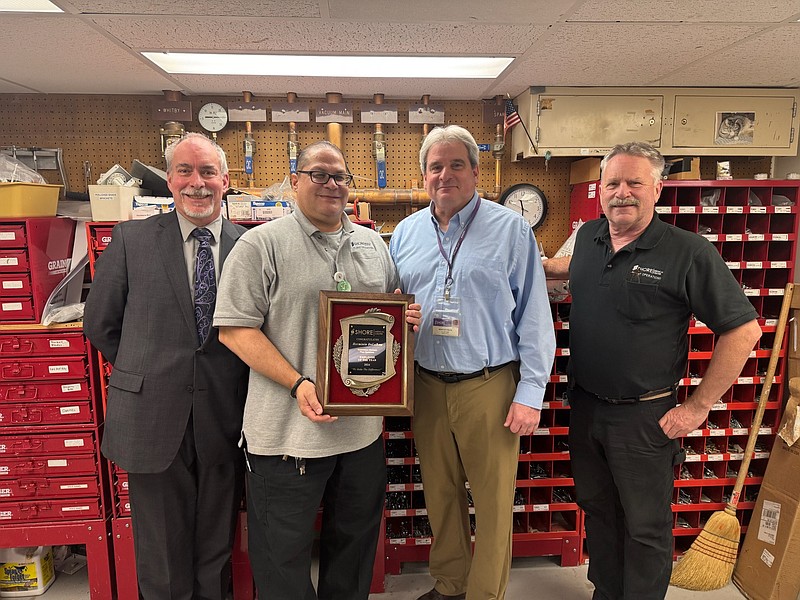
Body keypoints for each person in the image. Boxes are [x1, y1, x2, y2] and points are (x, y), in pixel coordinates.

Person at [543, 141, 762, 600]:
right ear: (600, 189)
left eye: (634, 183)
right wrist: (532, 265)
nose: (621, 192)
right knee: (600, 514)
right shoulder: (589, 237)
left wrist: (698, 407)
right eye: (612, 183)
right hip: (586, 409)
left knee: (645, 527)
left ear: (657, 189)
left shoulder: (687, 251)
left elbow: (744, 331)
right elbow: (570, 270)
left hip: (646, 418)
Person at [213, 140, 421, 600]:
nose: (331, 184)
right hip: (286, 440)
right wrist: (297, 384)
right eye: (318, 174)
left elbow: (386, 320)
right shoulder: (260, 244)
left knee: (352, 558)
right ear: (295, 182)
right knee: (282, 564)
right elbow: (234, 331)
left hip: (360, 437)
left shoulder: (372, 244)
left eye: (340, 176)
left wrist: (405, 322)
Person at [389, 125, 555, 600]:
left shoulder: (511, 230)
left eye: (456, 164)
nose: (445, 175)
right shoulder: (405, 234)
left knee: (493, 500)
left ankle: (485, 594)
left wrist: (530, 395)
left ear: (476, 172)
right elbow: (387, 306)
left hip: (489, 384)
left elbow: (535, 318)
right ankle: (450, 585)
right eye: (436, 167)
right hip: (426, 384)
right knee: (440, 494)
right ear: (424, 176)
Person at [83, 132, 249, 599]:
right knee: (161, 551)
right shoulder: (132, 239)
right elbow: (101, 324)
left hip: (225, 414)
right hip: (151, 415)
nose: (197, 182)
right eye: (185, 171)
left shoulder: (250, 245)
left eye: (208, 172)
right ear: (170, 180)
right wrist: (147, 371)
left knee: (217, 544)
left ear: (225, 180)